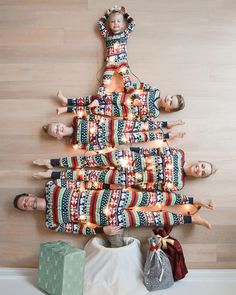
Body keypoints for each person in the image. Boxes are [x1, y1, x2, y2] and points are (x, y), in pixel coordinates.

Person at [13, 179, 213, 239]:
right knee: (153, 218)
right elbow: (80, 229)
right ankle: (191, 219)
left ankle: (194, 200)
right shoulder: (51, 222)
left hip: (112, 196)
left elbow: (82, 181)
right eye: (25, 207)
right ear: (28, 211)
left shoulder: (51, 186)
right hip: (109, 219)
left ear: (29, 195)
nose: (28, 204)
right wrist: (102, 230)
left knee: (156, 197)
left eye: (26, 200)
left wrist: (108, 186)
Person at [33, 147, 216, 192]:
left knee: (89, 174)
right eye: (202, 166)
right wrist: (132, 150)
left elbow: (150, 188)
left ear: (199, 177)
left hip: (128, 179)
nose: (199, 169)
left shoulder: (177, 184)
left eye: (202, 172)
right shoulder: (178, 153)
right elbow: (152, 151)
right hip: (130, 158)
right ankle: (53, 161)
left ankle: (52, 174)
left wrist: (128, 186)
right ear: (199, 161)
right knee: (90, 159)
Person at [42, 114, 185, 151]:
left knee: (142, 125)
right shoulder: (75, 143)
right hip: (114, 139)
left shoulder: (78, 119)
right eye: (56, 132)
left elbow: (95, 117)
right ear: (58, 137)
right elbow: (94, 147)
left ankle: (166, 124)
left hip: (115, 125)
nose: (58, 129)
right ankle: (167, 135)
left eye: (56, 126)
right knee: (141, 136)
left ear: (59, 123)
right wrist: (110, 144)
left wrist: (111, 120)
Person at [56, 84, 185, 121]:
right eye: (171, 97)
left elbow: (139, 119)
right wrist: (134, 95)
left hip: (119, 111)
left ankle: (66, 109)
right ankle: (67, 101)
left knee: (93, 109)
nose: (168, 99)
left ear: (168, 109)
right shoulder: (155, 91)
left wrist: (135, 110)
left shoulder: (155, 113)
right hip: (119, 97)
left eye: (170, 103)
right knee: (94, 99)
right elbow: (137, 85)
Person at [97, 6, 136, 96]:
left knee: (127, 81)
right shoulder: (107, 35)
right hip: (110, 64)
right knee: (105, 82)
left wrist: (125, 14)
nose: (116, 23)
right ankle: (98, 98)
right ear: (109, 24)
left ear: (123, 24)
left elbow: (133, 24)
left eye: (118, 21)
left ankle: (133, 97)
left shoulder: (124, 34)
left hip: (122, 63)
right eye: (112, 21)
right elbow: (99, 24)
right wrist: (106, 15)